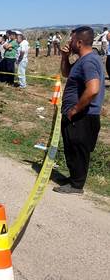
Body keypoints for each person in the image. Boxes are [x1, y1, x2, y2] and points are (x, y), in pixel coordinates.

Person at [54, 26, 105, 194]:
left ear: (80, 42)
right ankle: (73, 178)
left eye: (72, 39)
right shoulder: (82, 59)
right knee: (72, 148)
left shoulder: (89, 61)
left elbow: (93, 89)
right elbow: (66, 73)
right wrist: (64, 57)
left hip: (82, 115)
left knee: (78, 149)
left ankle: (77, 185)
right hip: (76, 114)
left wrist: (75, 109)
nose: (69, 42)